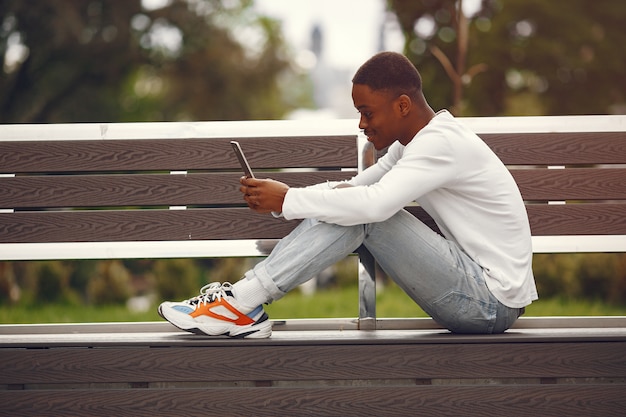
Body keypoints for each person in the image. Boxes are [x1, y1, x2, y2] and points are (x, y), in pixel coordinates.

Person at [158, 51, 538, 338]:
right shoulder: (415, 144)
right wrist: (285, 197)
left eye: (368, 112)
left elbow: (373, 206)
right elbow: (353, 190)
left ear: (402, 105)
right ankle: (243, 305)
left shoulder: (440, 145)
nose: (362, 124)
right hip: (475, 289)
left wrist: (288, 200)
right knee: (354, 208)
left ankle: (240, 304)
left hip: (490, 302)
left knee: (369, 216)